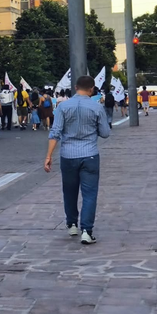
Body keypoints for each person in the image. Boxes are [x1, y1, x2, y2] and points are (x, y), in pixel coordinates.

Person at [45, 75, 109, 245]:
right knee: (90, 194)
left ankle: (72, 224)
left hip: (68, 155)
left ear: (75, 87)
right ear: (92, 89)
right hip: (90, 154)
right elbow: (105, 133)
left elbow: (55, 132)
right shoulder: (96, 107)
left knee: (69, 191)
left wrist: (48, 156)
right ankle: (87, 231)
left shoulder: (63, 107)